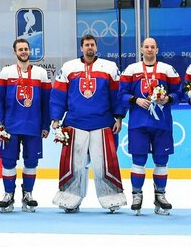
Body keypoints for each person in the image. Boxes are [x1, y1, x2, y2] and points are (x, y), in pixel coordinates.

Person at [50, 34, 126, 213]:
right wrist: (55, 118)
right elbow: (58, 95)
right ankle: (70, 199)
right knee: (75, 165)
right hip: (75, 124)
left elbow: (117, 94)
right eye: (86, 45)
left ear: (96, 47)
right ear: (81, 48)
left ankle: (112, 199)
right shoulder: (68, 67)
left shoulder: (110, 67)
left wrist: (119, 117)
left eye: (92, 45)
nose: (89, 47)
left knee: (104, 164)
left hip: (103, 124)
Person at [119, 38, 181, 215]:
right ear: (141, 49)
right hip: (139, 124)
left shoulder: (167, 69)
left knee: (161, 161)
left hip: (162, 124)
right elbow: (121, 94)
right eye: (146, 47)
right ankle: (137, 196)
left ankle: (160, 196)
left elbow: (180, 92)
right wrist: (135, 100)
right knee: (138, 161)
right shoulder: (131, 69)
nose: (149, 50)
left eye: (152, 47)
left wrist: (168, 98)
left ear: (157, 50)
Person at [0, 38, 51, 212]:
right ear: (14, 52)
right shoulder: (6, 72)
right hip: (10, 127)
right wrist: (0, 124)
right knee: (8, 161)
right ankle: (8, 194)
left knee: (31, 161)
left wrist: (45, 125)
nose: (24, 51)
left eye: (26, 49)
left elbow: (47, 102)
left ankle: (28, 194)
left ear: (30, 51)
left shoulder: (41, 73)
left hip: (33, 126)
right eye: (20, 49)